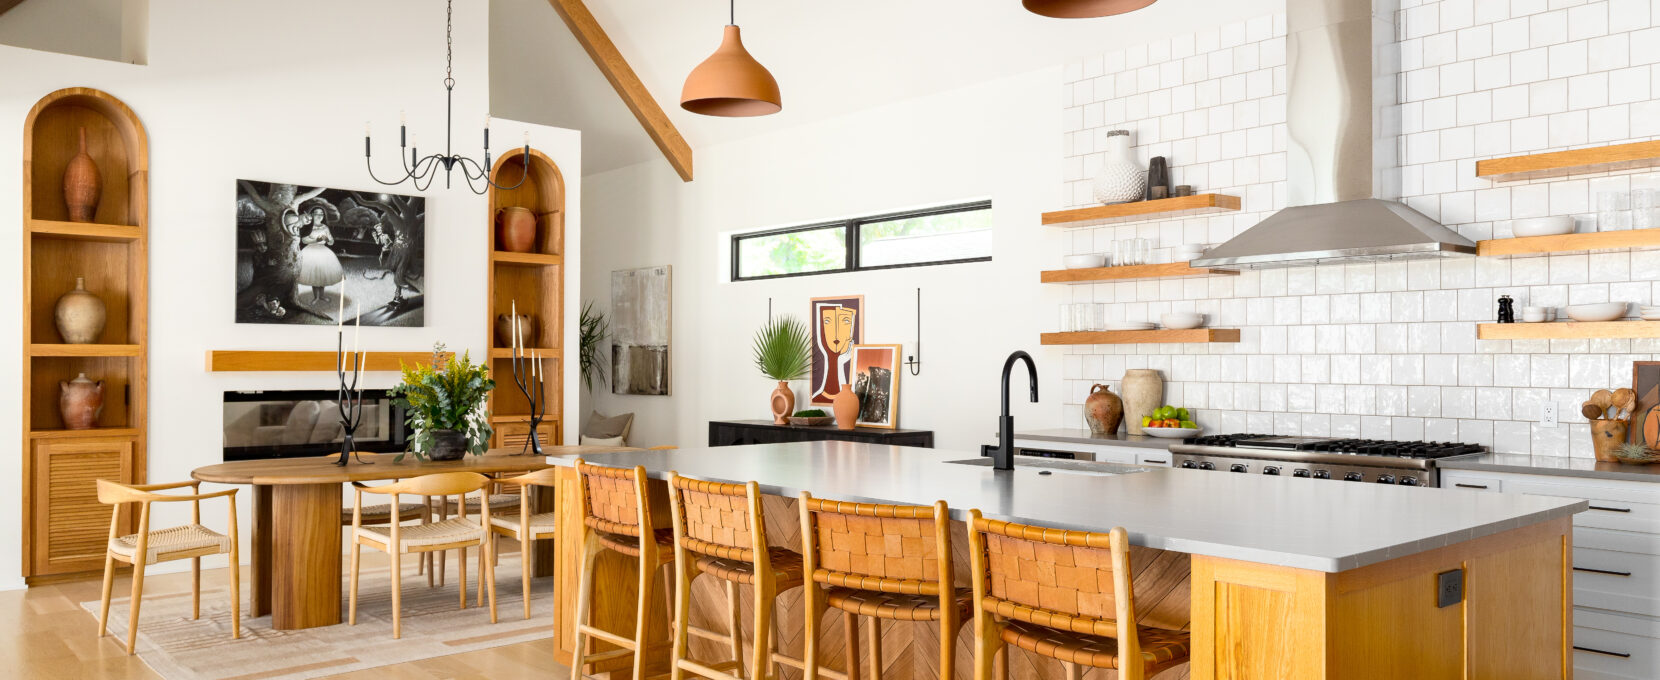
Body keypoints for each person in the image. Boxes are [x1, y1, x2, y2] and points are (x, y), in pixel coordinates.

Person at [295, 206, 344, 304]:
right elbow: (304, 240)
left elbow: (331, 241)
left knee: (322, 274)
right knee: (314, 275)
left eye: (321, 214)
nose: (319, 216)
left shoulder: (325, 227)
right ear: (312, 215)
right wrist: (316, 240)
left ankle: (321, 296)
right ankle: (316, 297)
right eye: (317, 213)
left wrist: (328, 240)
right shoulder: (308, 226)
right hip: (311, 251)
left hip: (323, 252)